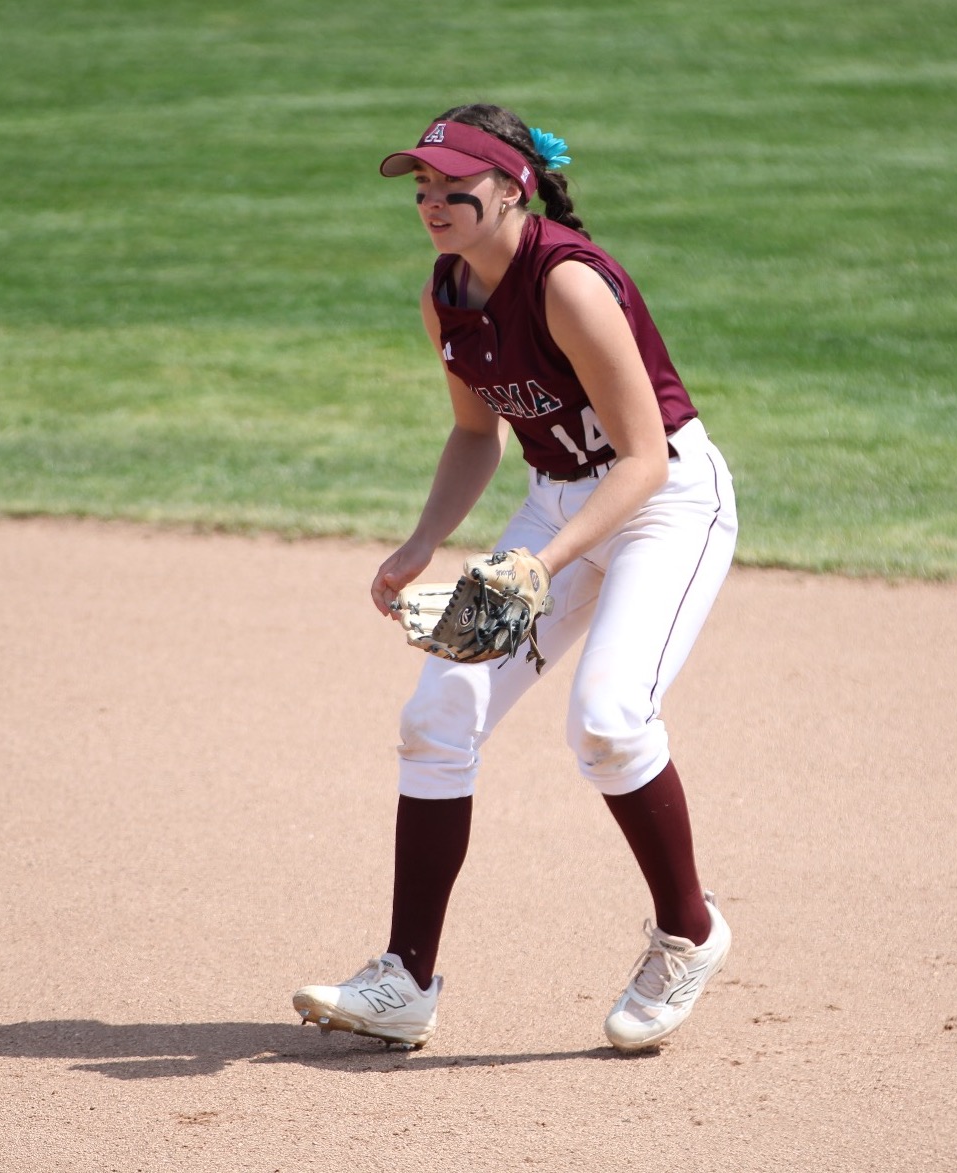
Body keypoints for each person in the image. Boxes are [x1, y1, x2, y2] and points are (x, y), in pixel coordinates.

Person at [292, 104, 739, 1053]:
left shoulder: (568, 282)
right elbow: (472, 431)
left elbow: (646, 459)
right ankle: (404, 979)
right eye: (422, 186)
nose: (433, 201)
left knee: (611, 720)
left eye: (456, 186)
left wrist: (541, 563)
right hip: (554, 509)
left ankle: (689, 930)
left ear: (513, 189)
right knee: (438, 712)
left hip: (663, 505)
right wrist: (423, 542)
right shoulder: (446, 293)